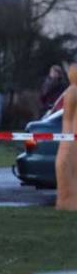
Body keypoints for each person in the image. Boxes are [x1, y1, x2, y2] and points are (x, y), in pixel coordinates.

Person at [56, 63, 77, 211]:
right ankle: (66, 200)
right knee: (66, 168)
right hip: (69, 139)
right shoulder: (72, 91)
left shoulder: (71, 91)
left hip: (69, 138)